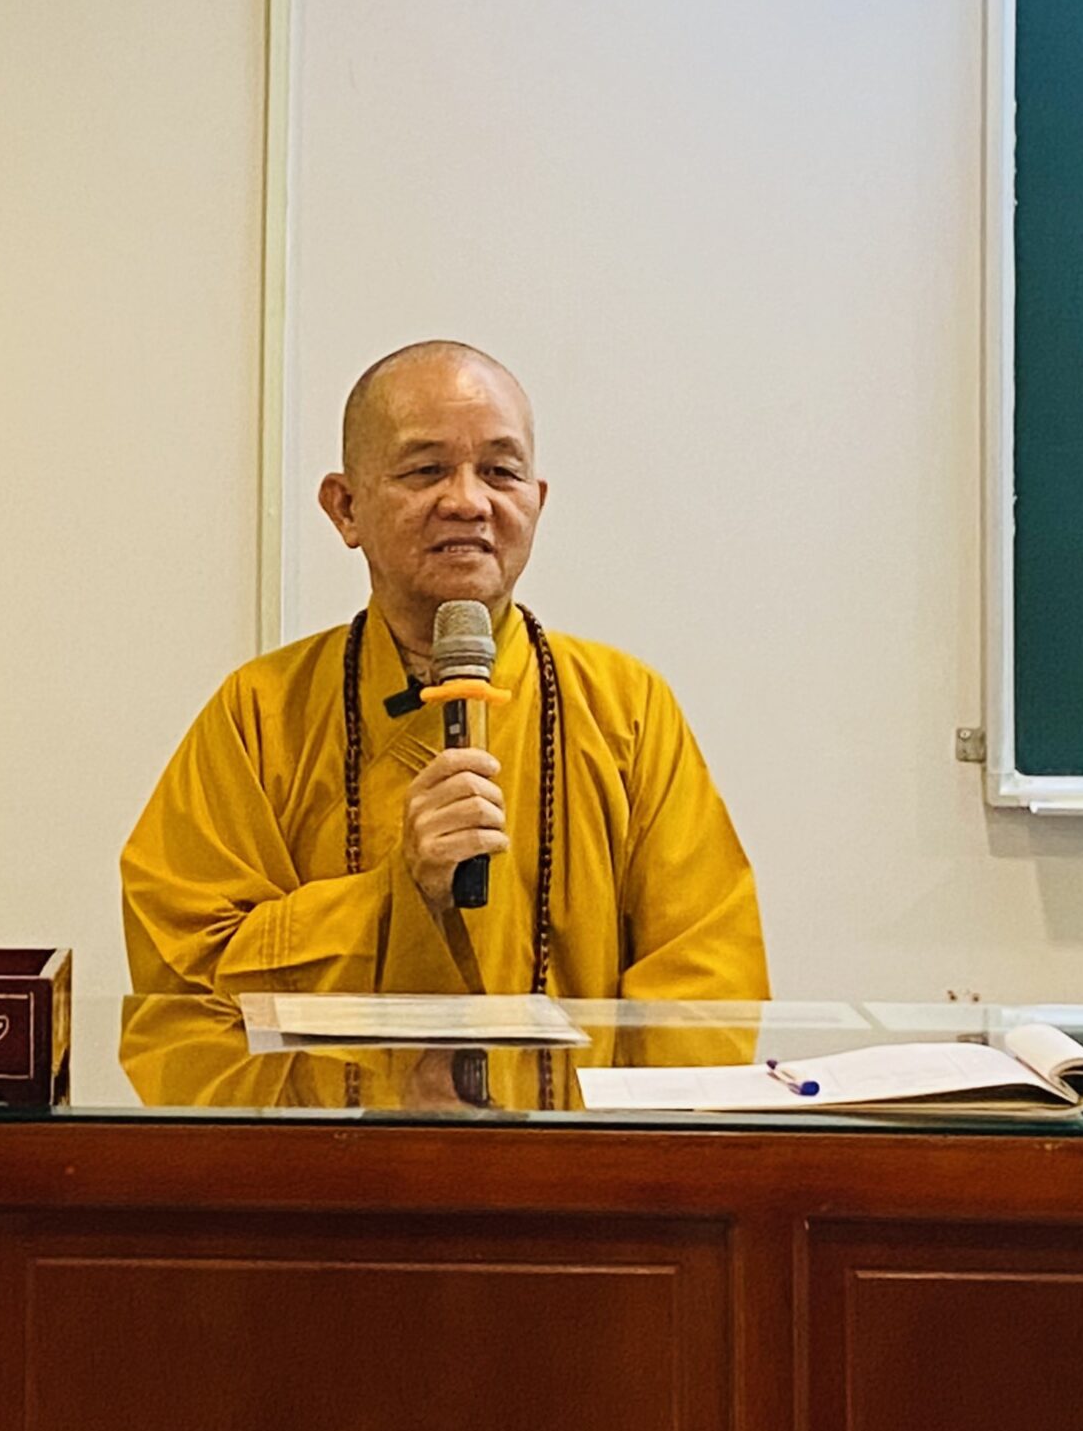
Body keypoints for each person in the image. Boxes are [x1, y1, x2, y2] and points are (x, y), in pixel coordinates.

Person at [120, 340, 768, 999]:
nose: (467, 501)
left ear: (537, 502)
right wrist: (396, 891)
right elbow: (187, 973)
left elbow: (707, 983)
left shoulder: (627, 709)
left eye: (500, 472)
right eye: (427, 470)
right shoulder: (261, 714)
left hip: (569, 1075)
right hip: (332, 1076)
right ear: (346, 507)